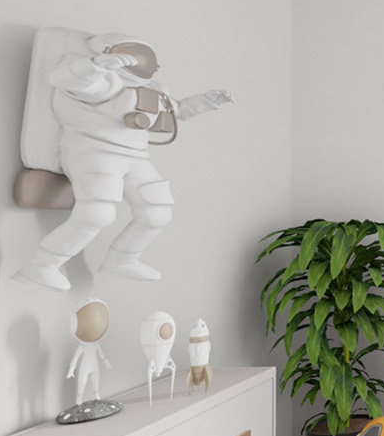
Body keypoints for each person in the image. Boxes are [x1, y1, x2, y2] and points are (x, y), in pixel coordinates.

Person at [12, 32, 233, 291]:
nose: (142, 62)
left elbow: (178, 110)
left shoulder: (151, 91)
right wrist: (96, 66)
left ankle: (123, 258)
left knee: (157, 212)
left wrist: (206, 102)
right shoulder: (103, 82)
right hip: (94, 151)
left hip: (135, 156)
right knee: (97, 213)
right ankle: (42, 265)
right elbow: (64, 80)